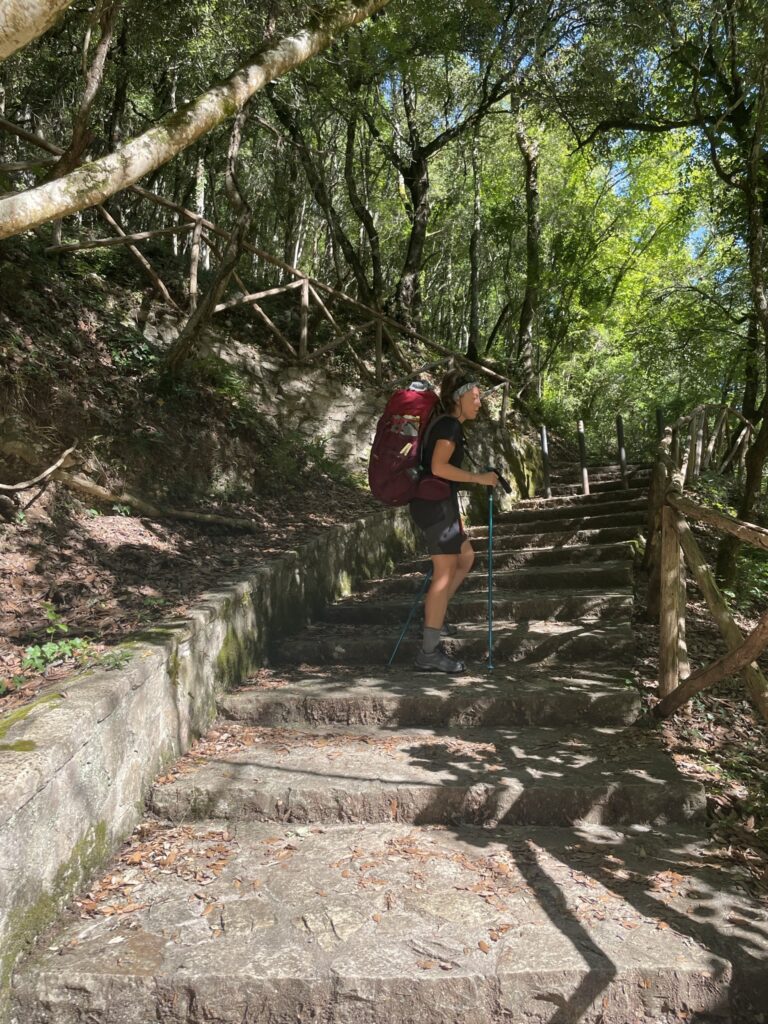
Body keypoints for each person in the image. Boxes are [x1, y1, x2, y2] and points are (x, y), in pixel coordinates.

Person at [409, 369, 498, 673]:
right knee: (444, 572)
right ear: (460, 397)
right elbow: (438, 467)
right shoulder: (448, 426)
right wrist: (478, 478)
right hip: (434, 508)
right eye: (475, 397)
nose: (479, 403)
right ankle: (429, 652)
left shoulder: (450, 425)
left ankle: (436, 617)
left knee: (466, 557)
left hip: (437, 505)